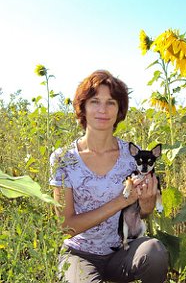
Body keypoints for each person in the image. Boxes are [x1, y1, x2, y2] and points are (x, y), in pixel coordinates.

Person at [49, 70, 169, 283]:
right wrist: (120, 201)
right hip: (79, 254)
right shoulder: (63, 158)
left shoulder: (134, 156)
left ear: (119, 110)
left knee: (155, 252)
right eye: (95, 101)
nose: (102, 110)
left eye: (111, 102)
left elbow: (142, 214)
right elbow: (66, 226)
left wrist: (147, 203)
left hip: (122, 250)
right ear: (83, 107)